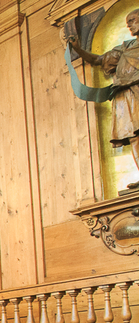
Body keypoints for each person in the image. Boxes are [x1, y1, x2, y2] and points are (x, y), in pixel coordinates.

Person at [68, 10, 139, 189]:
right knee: (134, 136)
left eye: (132, 20)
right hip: (125, 96)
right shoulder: (126, 47)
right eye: (127, 22)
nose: (129, 25)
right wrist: (77, 49)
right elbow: (99, 60)